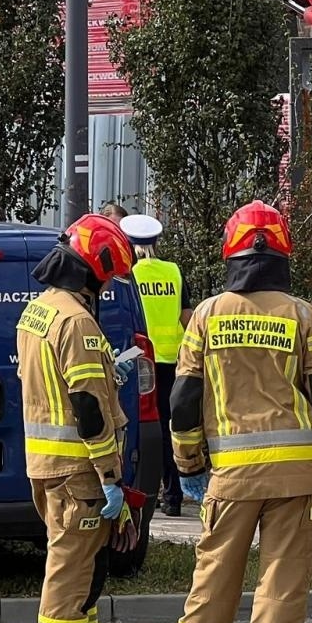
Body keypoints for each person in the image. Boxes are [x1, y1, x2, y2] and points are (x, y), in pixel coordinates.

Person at [165, 201, 312, 623]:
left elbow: (182, 400)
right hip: (295, 473)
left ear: (232, 253)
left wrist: (189, 464)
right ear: (282, 254)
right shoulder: (302, 315)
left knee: (215, 573)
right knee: (283, 577)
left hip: (232, 476)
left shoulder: (207, 314)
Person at [15, 214, 137, 623]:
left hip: (49, 468)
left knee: (86, 565)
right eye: (105, 280)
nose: (105, 289)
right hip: (81, 470)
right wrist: (111, 475)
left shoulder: (39, 310)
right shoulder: (78, 321)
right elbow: (87, 406)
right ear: (91, 271)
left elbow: (54, 385)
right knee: (70, 569)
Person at [121, 214, 194, 517]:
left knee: (138, 427)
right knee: (170, 428)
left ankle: (140, 489)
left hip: (137, 361)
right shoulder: (174, 272)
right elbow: (188, 319)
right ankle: (174, 495)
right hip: (173, 362)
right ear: (156, 242)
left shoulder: (128, 275)